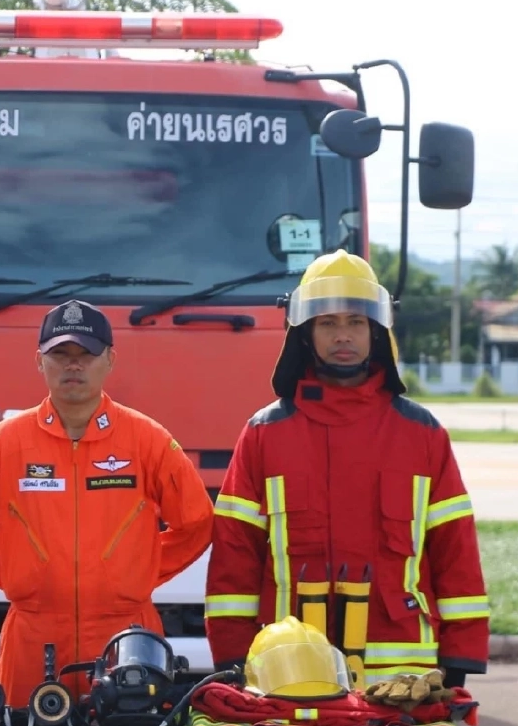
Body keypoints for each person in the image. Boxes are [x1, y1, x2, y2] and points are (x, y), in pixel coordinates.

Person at [204, 250, 490, 690]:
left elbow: (455, 550)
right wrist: (231, 656)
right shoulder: (264, 434)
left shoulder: (422, 434)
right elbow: (234, 557)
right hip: (289, 672)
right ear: (304, 335)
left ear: (376, 333)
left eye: (355, 322)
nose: (343, 335)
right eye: (328, 323)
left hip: (404, 682)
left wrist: (459, 658)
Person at [0, 299, 214, 708]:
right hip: (32, 636)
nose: (74, 365)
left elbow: (196, 522)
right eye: (60, 354)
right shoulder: (4, 442)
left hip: (125, 636)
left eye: (86, 355)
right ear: (39, 360)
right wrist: (26, 579)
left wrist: (132, 575)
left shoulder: (147, 440)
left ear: (109, 359)